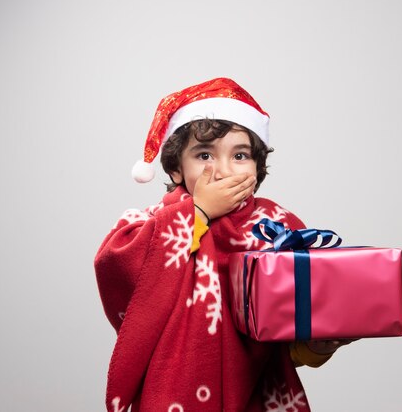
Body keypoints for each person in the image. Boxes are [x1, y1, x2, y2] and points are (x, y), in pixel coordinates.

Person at [94, 78, 351, 412]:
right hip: (173, 393)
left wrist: (319, 345)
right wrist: (198, 211)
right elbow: (118, 268)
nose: (224, 170)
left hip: (257, 396)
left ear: (258, 169)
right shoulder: (153, 224)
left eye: (240, 155)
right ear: (175, 168)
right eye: (204, 154)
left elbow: (290, 346)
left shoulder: (277, 229)